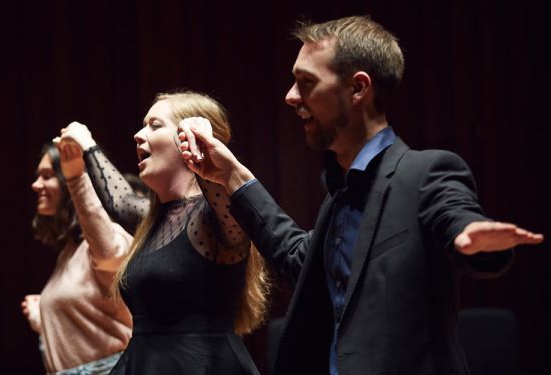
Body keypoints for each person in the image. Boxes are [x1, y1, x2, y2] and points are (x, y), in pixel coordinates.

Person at [177, 15, 544, 375]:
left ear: (358, 88)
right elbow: (297, 259)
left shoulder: (426, 171)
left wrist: (471, 235)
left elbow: (455, 214)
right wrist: (230, 175)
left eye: (306, 82)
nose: (290, 97)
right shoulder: (341, 193)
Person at [59, 91, 271, 374]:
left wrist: (205, 145)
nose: (137, 134)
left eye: (155, 125)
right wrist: (86, 143)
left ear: (191, 137)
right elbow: (119, 202)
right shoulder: (155, 220)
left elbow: (228, 194)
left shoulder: (216, 215)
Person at [20, 141, 133, 374]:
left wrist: (76, 177)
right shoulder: (69, 252)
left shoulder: (105, 240)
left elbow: (111, 255)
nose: (35, 184)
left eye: (47, 175)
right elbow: (88, 326)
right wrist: (44, 320)